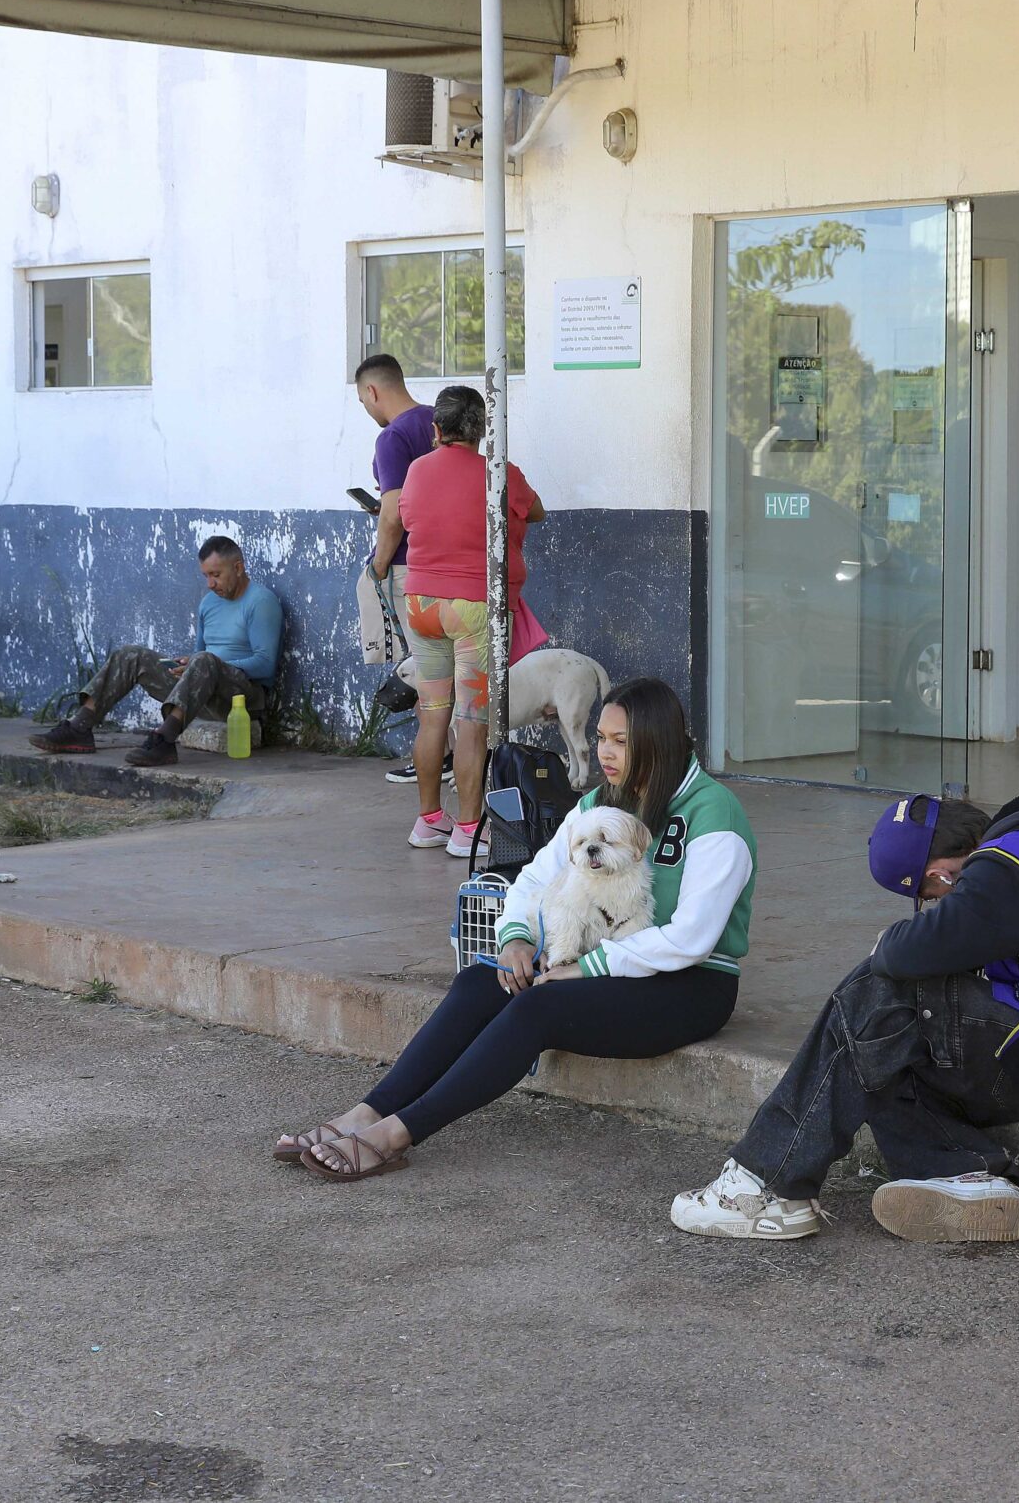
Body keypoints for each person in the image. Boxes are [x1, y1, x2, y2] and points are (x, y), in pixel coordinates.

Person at [277, 679, 752, 1180]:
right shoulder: (600, 804)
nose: (604, 752)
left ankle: (395, 1134)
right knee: (481, 983)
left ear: (659, 742)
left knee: (536, 1007)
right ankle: (366, 1114)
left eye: (621, 742)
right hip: (611, 968)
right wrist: (518, 937)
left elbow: (692, 939)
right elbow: (535, 878)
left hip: (690, 986)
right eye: (601, 738)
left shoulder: (713, 812)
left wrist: (585, 968)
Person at [672, 790, 1019, 1243]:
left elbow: (902, 958)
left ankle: (765, 1184)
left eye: (930, 899)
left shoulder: (1004, 870)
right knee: (880, 1045)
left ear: (940, 874)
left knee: (879, 994)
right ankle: (961, 1172)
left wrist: (891, 945)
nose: (934, 907)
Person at [396, 383, 545, 862]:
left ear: (436, 430)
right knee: (472, 721)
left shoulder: (416, 470)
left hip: (420, 604)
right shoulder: (497, 473)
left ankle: (427, 819)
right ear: (482, 433)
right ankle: (466, 830)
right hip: (472, 609)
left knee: (433, 713)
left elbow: (408, 518)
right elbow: (536, 512)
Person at [28, 536, 283, 767]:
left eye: (216, 574)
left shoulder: (260, 601)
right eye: (205, 575)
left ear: (238, 568)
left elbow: (265, 664)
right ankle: (79, 728)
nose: (210, 583)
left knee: (205, 660)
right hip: (204, 693)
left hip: (242, 699)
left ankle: (164, 740)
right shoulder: (208, 603)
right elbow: (200, 654)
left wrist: (209, 663)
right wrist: (185, 665)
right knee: (131, 655)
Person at [356, 352, 432, 786]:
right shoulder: (439, 420)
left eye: (363, 402)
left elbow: (393, 511)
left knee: (420, 667)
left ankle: (434, 756)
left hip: (408, 565)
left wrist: (379, 564)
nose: (367, 411)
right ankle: (449, 756)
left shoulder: (392, 438)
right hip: (452, 564)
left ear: (372, 390)